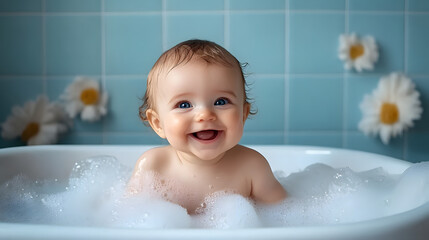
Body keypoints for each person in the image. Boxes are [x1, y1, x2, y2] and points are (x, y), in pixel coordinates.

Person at [127, 39, 287, 214]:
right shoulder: (153, 166)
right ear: (158, 124)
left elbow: (285, 215)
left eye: (221, 101)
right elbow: (128, 217)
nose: (205, 115)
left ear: (243, 114)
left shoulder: (252, 167)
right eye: (184, 105)